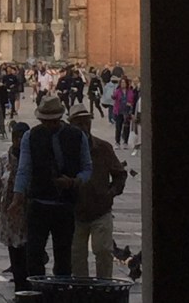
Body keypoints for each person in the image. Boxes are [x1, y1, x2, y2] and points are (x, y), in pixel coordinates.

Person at [7, 95, 92, 283]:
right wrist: (17, 198)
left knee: (63, 256)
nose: (49, 125)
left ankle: (60, 293)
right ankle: (38, 293)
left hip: (65, 204)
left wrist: (74, 181)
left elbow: (87, 168)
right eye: (45, 121)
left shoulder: (77, 136)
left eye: (52, 121)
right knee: (34, 254)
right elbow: (24, 169)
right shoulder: (31, 136)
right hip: (38, 203)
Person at [68, 102, 128, 278]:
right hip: (75, 211)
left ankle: (104, 290)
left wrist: (111, 192)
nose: (84, 127)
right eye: (79, 123)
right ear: (71, 125)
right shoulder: (67, 150)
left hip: (100, 209)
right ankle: (82, 292)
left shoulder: (103, 148)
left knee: (103, 251)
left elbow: (120, 174)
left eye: (87, 122)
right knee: (76, 256)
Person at [0, 121, 30, 288]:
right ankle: (20, 290)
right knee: (15, 253)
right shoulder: (4, 159)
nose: (19, 141)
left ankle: (31, 290)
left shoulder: (35, 158)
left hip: (29, 213)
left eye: (22, 138)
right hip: (10, 215)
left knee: (30, 254)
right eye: (16, 137)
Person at [112, 77, 136, 148]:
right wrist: (113, 95)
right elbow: (114, 97)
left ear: (126, 83)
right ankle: (117, 142)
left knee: (126, 127)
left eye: (124, 83)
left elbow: (132, 100)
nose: (123, 84)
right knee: (118, 127)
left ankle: (125, 142)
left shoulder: (130, 91)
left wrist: (130, 103)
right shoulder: (118, 91)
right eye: (121, 83)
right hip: (119, 111)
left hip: (127, 111)